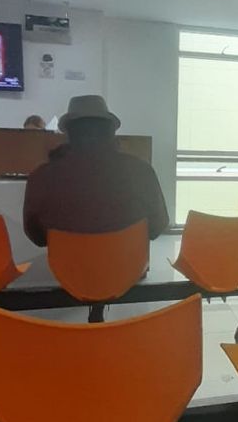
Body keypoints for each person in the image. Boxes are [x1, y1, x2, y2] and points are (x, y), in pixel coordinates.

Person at [23, 95, 169, 322]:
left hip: (69, 273)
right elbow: (158, 226)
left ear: (68, 133)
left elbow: (36, 237)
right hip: (127, 270)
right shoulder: (141, 171)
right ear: (111, 131)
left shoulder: (42, 176)